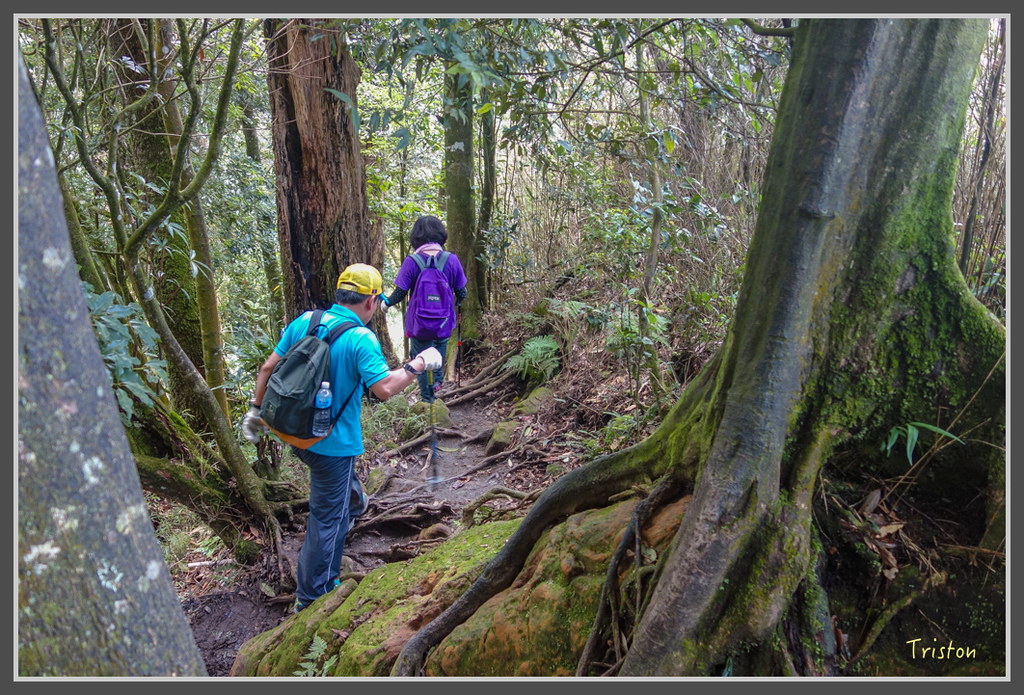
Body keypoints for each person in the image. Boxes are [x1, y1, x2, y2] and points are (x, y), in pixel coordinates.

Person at [242, 263, 442, 612]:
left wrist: (255, 412)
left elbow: (266, 368)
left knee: (337, 490)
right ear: (370, 301)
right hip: (332, 446)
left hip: (291, 432)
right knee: (325, 518)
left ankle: (354, 502)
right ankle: (313, 595)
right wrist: (419, 363)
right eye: (378, 302)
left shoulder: (306, 320)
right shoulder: (360, 338)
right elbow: (384, 389)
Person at [380, 215, 468, 402]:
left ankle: (427, 399)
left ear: (416, 237)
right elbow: (462, 292)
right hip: (443, 323)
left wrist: (386, 303)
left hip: (418, 324)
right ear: (441, 236)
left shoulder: (412, 261)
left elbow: (400, 293)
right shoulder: (451, 260)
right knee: (438, 355)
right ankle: (437, 390)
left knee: (420, 358)